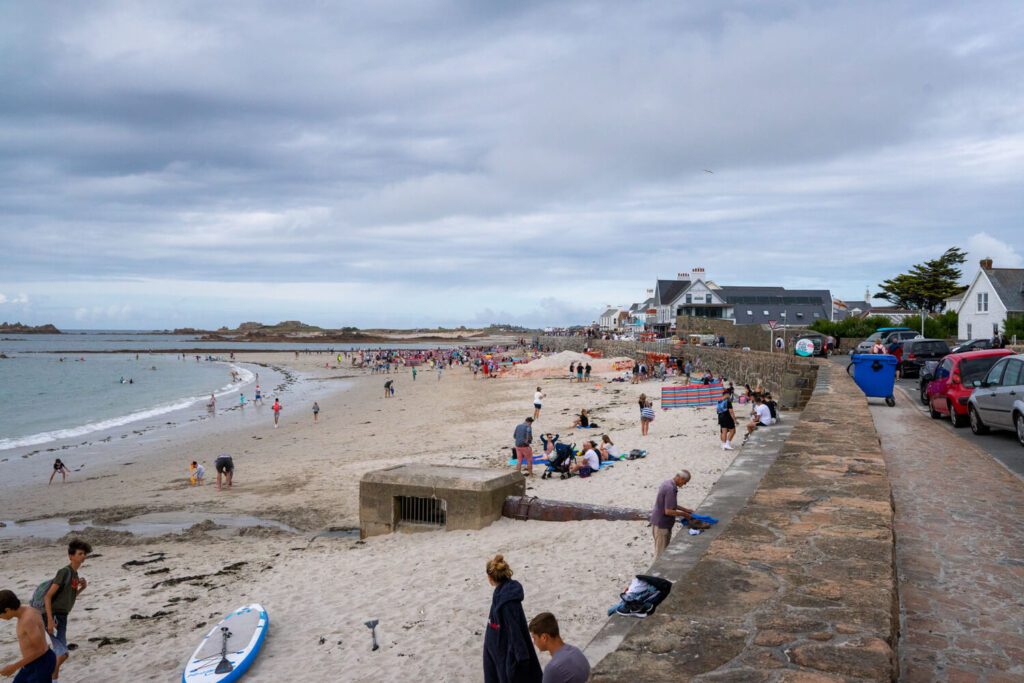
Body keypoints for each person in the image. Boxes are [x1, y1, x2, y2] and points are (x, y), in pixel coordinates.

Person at [483, 555, 543, 683]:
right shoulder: (503, 596)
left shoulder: (505, 603)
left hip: (508, 665)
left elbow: (516, 638)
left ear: (490, 578)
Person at [41, 539, 91, 683]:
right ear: (70, 556)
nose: (83, 556)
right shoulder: (64, 572)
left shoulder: (75, 575)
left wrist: (82, 588)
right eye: (80, 553)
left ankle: (52, 680)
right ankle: (48, 677)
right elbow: (48, 596)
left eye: (84, 554)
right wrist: (50, 620)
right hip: (53, 616)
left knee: (60, 652)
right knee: (63, 653)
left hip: (62, 616)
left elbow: (70, 597)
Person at [0, 589, 56, 683]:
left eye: (0, 615)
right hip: (31, 663)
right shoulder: (27, 610)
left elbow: (40, 649)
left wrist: (14, 667)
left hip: (40, 663)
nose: (1, 618)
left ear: (7, 610)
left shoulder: (28, 619)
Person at [528, 612, 590, 683]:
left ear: (544, 637)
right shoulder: (576, 651)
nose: (534, 643)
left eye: (534, 638)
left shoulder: (553, 668)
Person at [650, 472, 693, 560]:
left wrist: (686, 510)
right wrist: (684, 514)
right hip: (662, 525)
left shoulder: (667, 483)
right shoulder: (670, 489)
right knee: (660, 554)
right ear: (681, 479)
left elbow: (670, 504)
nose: (684, 484)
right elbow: (668, 511)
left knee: (661, 550)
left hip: (657, 521)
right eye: (685, 482)